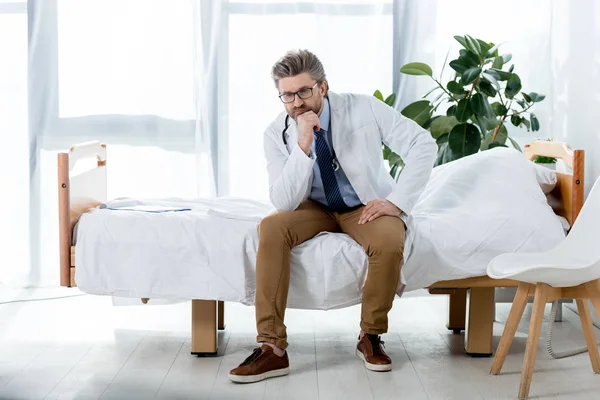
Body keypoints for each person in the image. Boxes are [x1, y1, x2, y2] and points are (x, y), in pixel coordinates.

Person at [228, 49, 437, 383]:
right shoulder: (275, 133)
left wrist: (397, 202)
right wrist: (303, 144)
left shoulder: (364, 108)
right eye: (287, 95)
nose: (296, 102)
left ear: (323, 87)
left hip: (361, 207)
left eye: (304, 91)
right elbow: (284, 199)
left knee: (389, 240)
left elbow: (423, 145)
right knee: (270, 227)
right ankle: (272, 348)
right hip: (315, 207)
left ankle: (370, 335)